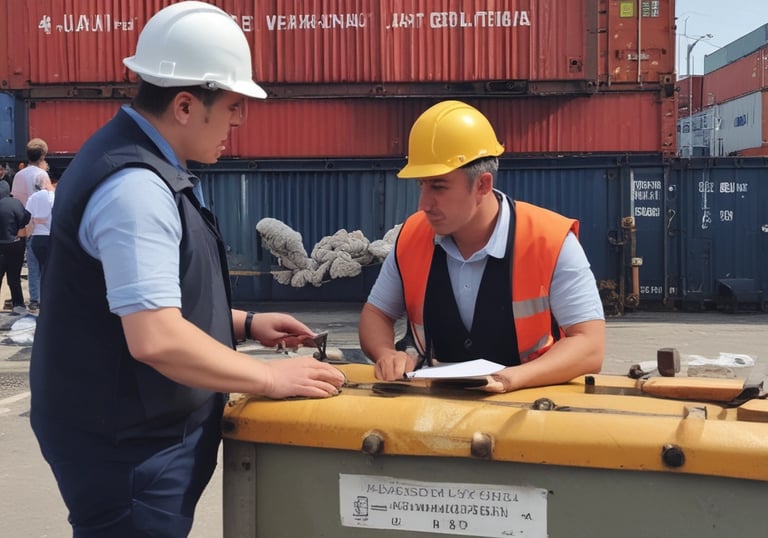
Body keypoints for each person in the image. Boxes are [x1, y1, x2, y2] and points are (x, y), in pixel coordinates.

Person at [29, 2, 345, 537]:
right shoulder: (135, 188)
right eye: (231, 107)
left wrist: (243, 324)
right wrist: (269, 378)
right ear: (183, 104)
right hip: (129, 452)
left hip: (132, 436)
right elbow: (155, 338)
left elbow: (141, 299)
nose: (238, 123)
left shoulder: (137, 163)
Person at [359, 100, 605, 392]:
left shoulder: (550, 241)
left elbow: (590, 345)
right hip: (437, 407)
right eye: (421, 186)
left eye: (438, 186)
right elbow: (376, 314)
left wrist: (513, 378)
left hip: (532, 407)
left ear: (483, 185)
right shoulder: (412, 236)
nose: (423, 204)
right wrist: (386, 354)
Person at [11, 138, 49, 314]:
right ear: (42, 155)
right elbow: (46, 201)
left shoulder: (19, 175)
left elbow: (17, 201)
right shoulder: (41, 176)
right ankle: (43, 298)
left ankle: (34, 300)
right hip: (41, 227)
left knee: (31, 265)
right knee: (44, 265)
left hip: (23, 225)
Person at [0, 180, 31, 314]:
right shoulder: (15, 203)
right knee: (14, 278)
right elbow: (25, 220)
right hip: (15, 244)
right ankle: (18, 306)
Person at [25, 172, 57, 287]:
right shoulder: (53, 196)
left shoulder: (32, 198)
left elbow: (27, 218)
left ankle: (35, 299)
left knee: (33, 270)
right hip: (51, 236)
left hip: (36, 236)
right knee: (49, 269)